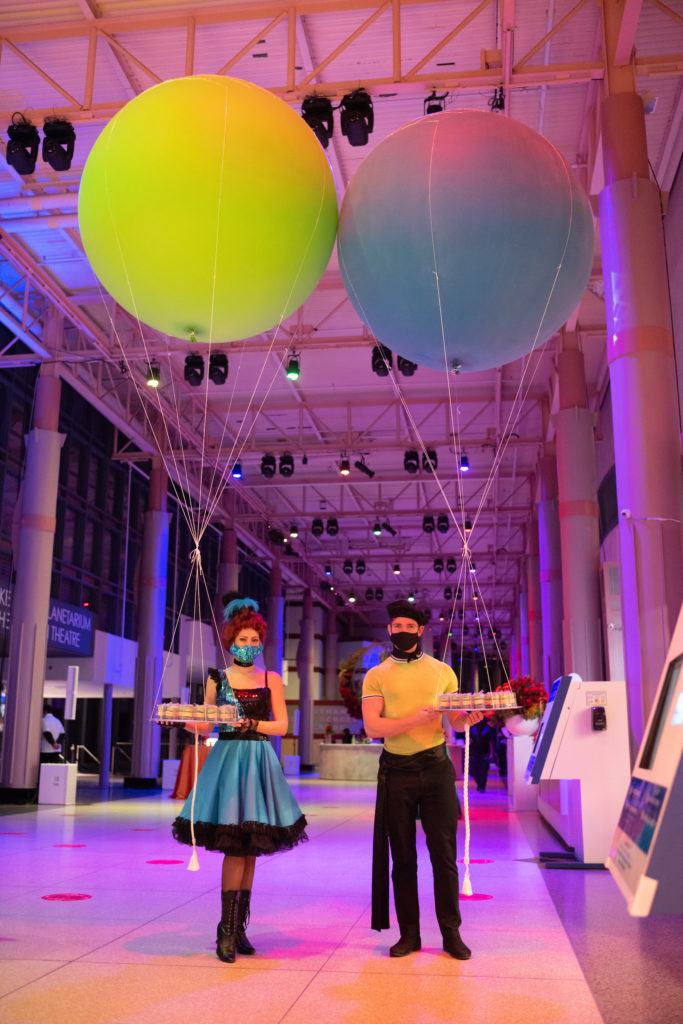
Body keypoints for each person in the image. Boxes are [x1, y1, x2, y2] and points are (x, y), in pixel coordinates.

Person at [172, 593, 307, 964]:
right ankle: (226, 931)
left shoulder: (271, 678)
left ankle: (239, 927)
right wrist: (180, 718)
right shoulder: (217, 678)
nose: (249, 645)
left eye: (254, 639)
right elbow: (206, 724)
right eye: (242, 639)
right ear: (230, 640)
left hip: (259, 760)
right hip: (229, 761)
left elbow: (281, 725)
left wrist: (251, 723)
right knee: (235, 846)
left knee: (250, 849)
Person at [362, 600, 484, 960]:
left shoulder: (442, 671)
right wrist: (415, 720)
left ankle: (451, 934)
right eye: (396, 626)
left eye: (408, 626)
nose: (402, 632)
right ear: (389, 631)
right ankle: (409, 935)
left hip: (435, 768)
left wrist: (467, 720)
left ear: (420, 631)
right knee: (402, 858)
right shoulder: (377, 675)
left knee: (444, 855)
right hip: (395, 771)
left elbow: (454, 720)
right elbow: (373, 727)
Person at [469, 718, 495, 793]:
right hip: (474, 753)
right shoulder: (472, 730)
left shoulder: (488, 730)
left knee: (483, 772)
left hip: (485, 753)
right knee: (475, 771)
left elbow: (490, 742)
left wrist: (491, 753)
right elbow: (470, 741)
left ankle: (482, 786)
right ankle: (479, 784)